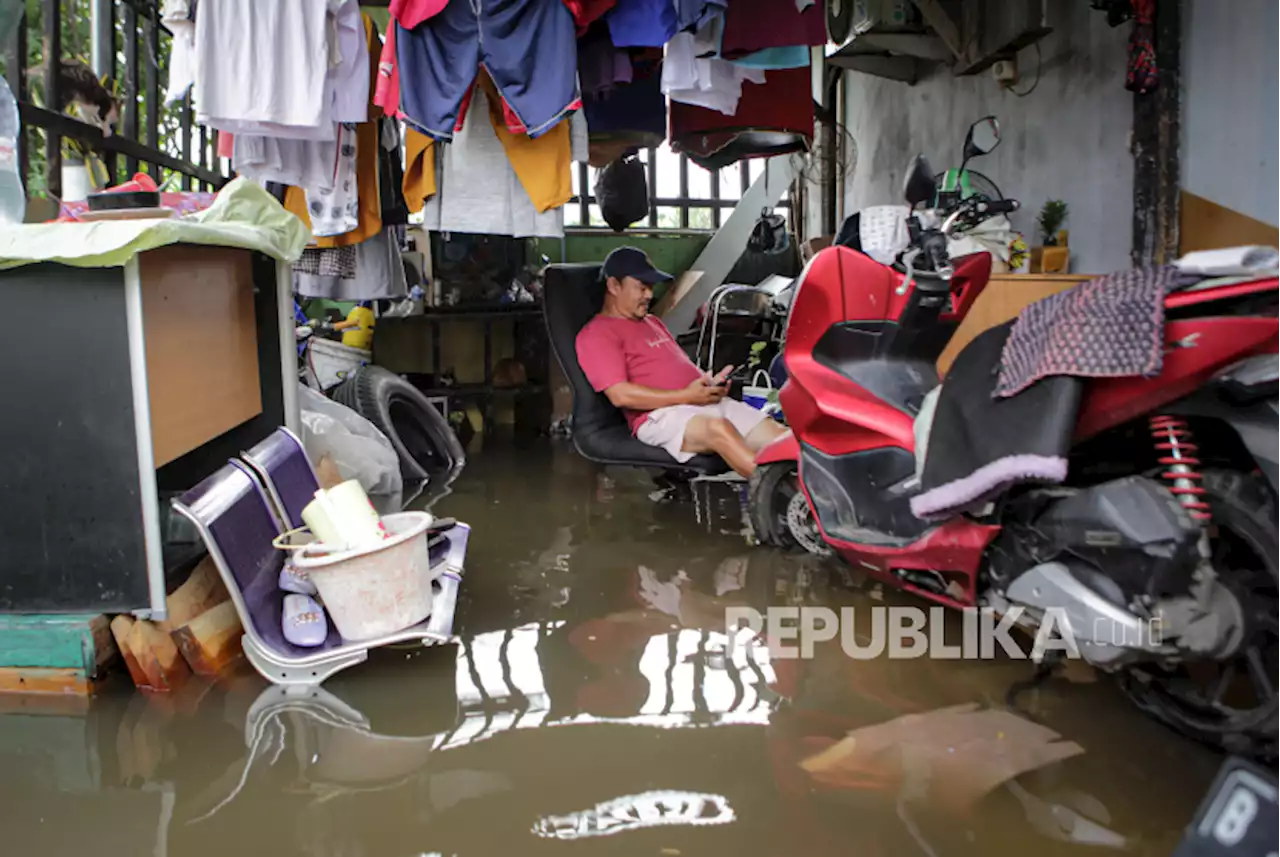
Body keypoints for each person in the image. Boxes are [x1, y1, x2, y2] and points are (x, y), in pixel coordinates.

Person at [575, 246, 787, 477]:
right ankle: (780, 496)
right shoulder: (597, 334)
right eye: (641, 287)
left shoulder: (652, 322)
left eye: (651, 287)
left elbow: (679, 367)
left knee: (782, 436)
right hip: (659, 416)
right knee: (718, 429)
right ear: (614, 286)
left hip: (700, 403)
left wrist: (709, 384)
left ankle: (820, 496)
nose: (649, 295)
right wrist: (687, 396)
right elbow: (620, 395)